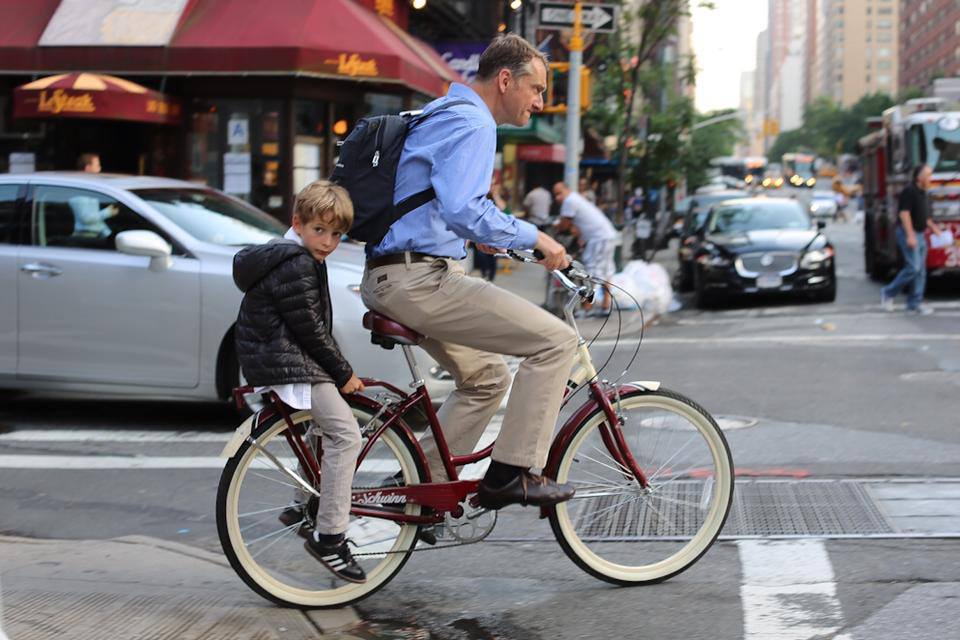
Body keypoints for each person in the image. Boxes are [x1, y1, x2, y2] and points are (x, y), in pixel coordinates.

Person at [360, 34, 577, 511]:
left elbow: (436, 204)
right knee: (556, 342)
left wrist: (483, 235)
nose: (539, 103)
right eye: (536, 89)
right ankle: (512, 474)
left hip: (394, 275)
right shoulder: (474, 123)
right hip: (419, 281)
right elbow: (463, 207)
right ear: (506, 80)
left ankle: (422, 489)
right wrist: (535, 237)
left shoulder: (442, 111)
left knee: (486, 378)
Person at [232, 180, 368, 583]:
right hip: (286, 361)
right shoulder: (298, 262)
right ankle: (330, 538)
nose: (327, 242)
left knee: (322, 428)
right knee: (347, 436)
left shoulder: (286, 253)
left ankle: (302, 503)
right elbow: (309, 329)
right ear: (298, 223)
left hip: (276, 357)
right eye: (319, 231)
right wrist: (344, 372)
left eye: (336, 234)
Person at [880, 165, 944, 315]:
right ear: (919, 178)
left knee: (920, 271)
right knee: (913, 268)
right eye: (928, 176)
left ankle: (914, 304)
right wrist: (910, 235)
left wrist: (934, 228)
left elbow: (924, 216)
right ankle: (888, 293)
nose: (931, 179)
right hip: (910, 233)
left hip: (921, 234)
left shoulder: (924, 193)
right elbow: (904, 214)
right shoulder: (910, 191)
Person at [553, 181, 618, 316]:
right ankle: (606, 305)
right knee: (606, 271)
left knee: (591, 271)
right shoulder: (577, 198)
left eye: (559, 193)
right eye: (555, 194)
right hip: (606, 235)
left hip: (598, 238)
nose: (557, 197)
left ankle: (587, 308)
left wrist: (555, 226)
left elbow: (565, 224)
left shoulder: (569, 201)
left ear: (566, 190)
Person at [70, 153, 118, 237]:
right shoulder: (79, 188)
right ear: (88, 168)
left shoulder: (90, 187)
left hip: (94, 236)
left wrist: (109, 235)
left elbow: (96, 222)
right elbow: (86, 219)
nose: (100, 169)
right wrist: (107, 212)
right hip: (84, 237)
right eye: (97, 166)